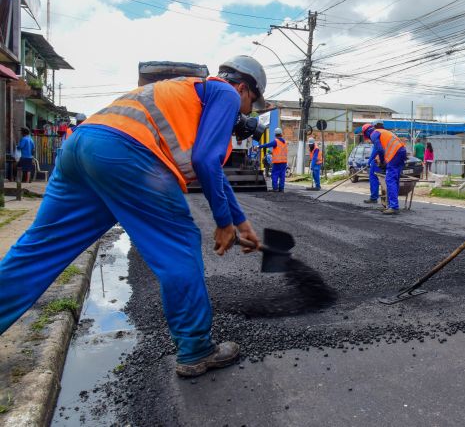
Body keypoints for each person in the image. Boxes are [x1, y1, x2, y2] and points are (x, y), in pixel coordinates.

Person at [0, 54, 269, 378]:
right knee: (179, 244)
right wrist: (223, 225)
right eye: (250, 104)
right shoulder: (225, 92)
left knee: (41, 247)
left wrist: (242, 224)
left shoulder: (187, 94)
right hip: (127, 153)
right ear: (243, 87)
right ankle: (196, 348)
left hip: (83, 145)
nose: (245, 114)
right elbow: (205, 161)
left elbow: (216, 174)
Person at [362, 123, 407, 215]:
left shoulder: (374, 134)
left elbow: (380, 150)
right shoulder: (382, 132)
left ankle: (394, 207)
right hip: (402, 151)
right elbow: (377, 149)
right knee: (395, 180)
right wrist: (371, 161)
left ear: (366, 133)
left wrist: (382, 162)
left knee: (390, 180)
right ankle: (391, 205)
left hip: (395, 153)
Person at [259, 127, 288, 192]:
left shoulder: (276, 141)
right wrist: (273, 153)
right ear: (281, 134)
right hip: (284, 162)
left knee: (274, 175)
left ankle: (275, 188)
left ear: (275, 134)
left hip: (277, 162)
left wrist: (259, 146)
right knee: (282, 176)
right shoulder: (285, 142)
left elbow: (267, 145)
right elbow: (281, 151)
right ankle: (281, 189)